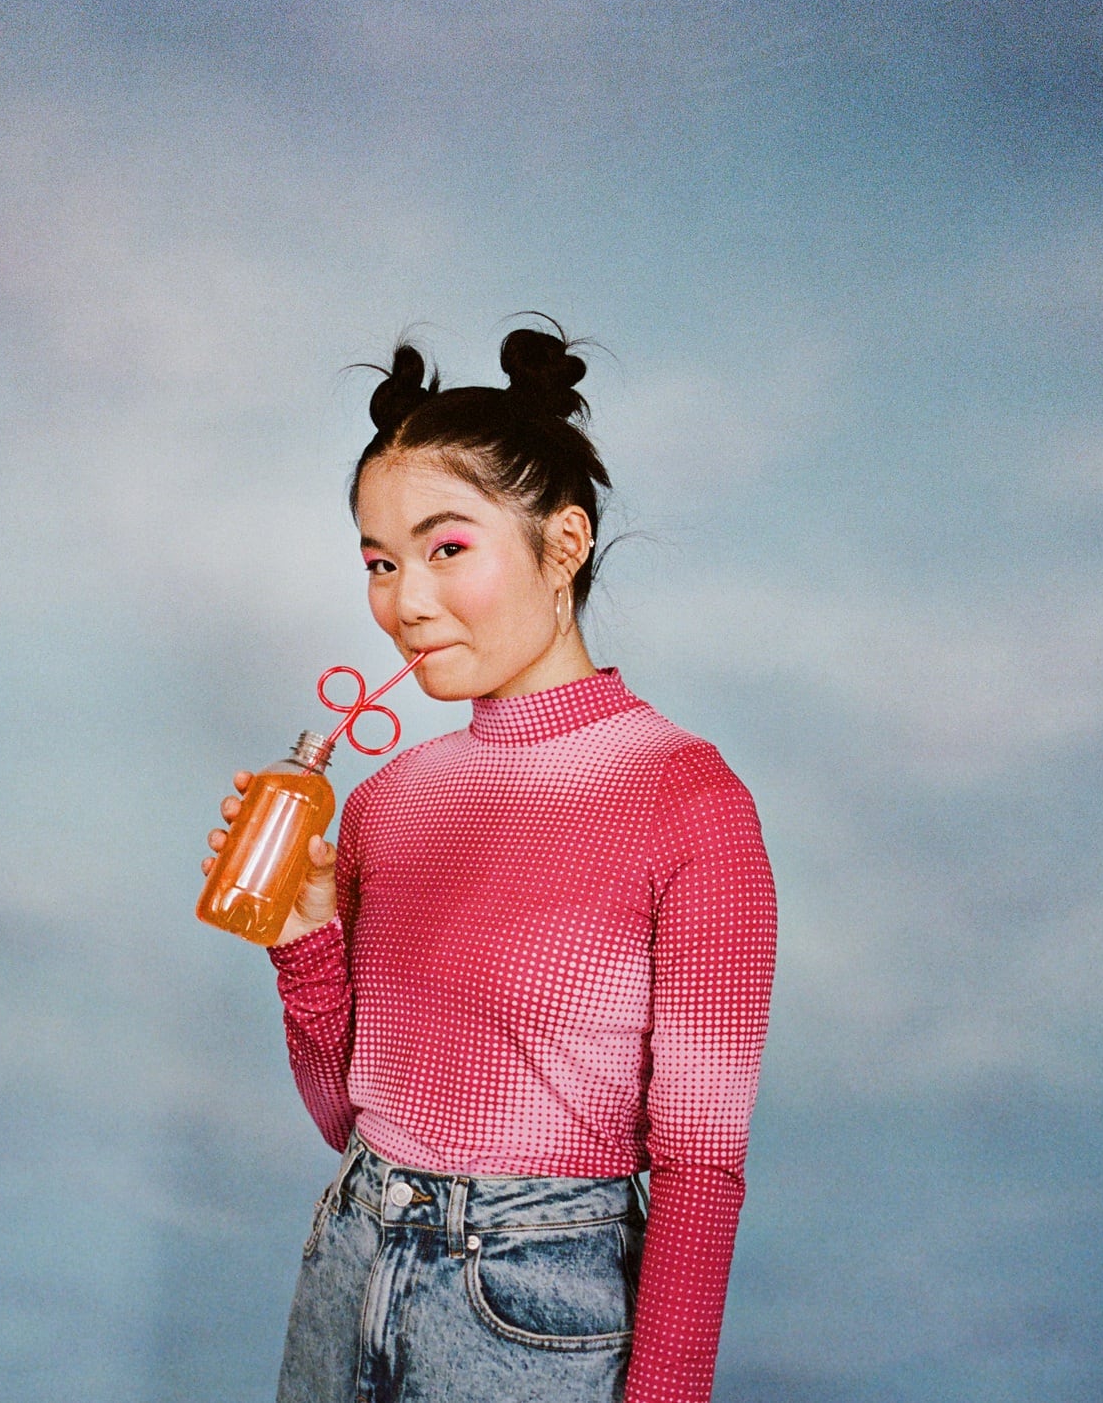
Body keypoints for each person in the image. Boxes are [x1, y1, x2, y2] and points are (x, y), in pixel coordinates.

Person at [201, 322, 777, 1403]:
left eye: (445, 548)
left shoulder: (688, 801)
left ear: (563, 545)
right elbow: (347, 1119)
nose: (403, 601)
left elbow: (700, 1171)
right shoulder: (380, 804)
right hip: (348, 1263)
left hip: (530, 1313)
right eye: (379, 562)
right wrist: (302, 936)